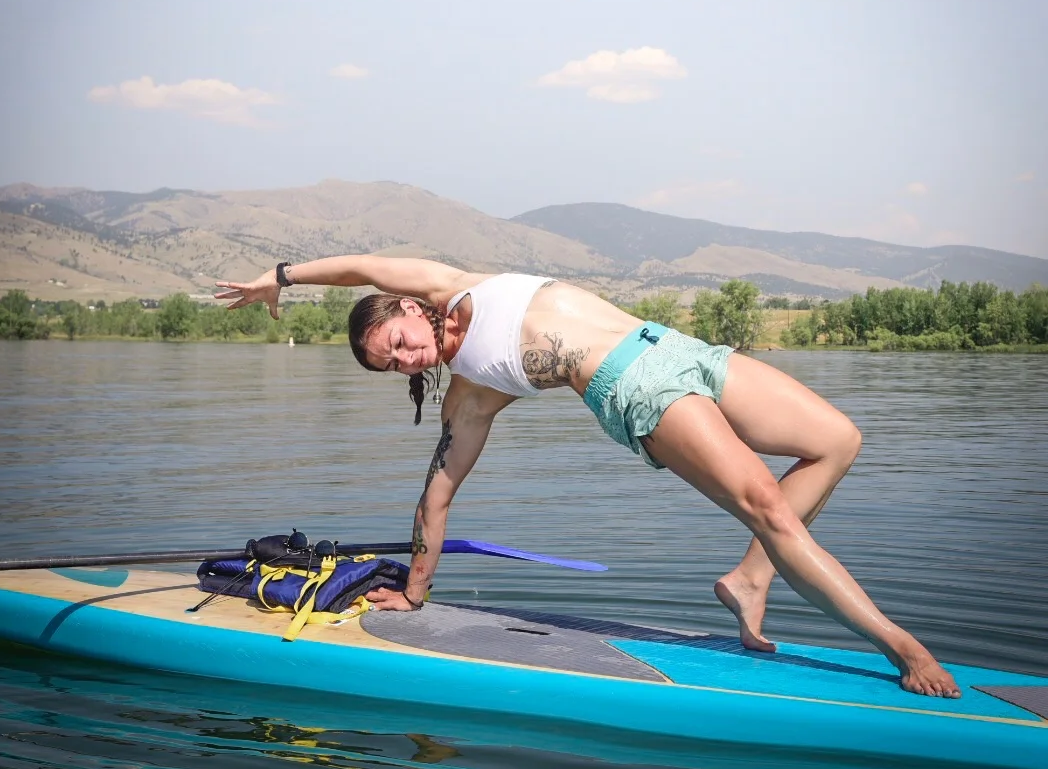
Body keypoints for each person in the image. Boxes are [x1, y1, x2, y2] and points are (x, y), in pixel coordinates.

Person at [216, 256, 960, 698]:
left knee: (837, 440)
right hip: (636, 388)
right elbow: (438, 492)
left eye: (402, 343)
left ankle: (750, 581)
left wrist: (279, 278)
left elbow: (359, 265)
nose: (409, 360)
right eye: (395, 365)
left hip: (675, 347)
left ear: (412, 308)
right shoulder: (473, 392)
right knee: (767, 505)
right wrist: (415, 590)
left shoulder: (455, 284)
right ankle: (901, 647)